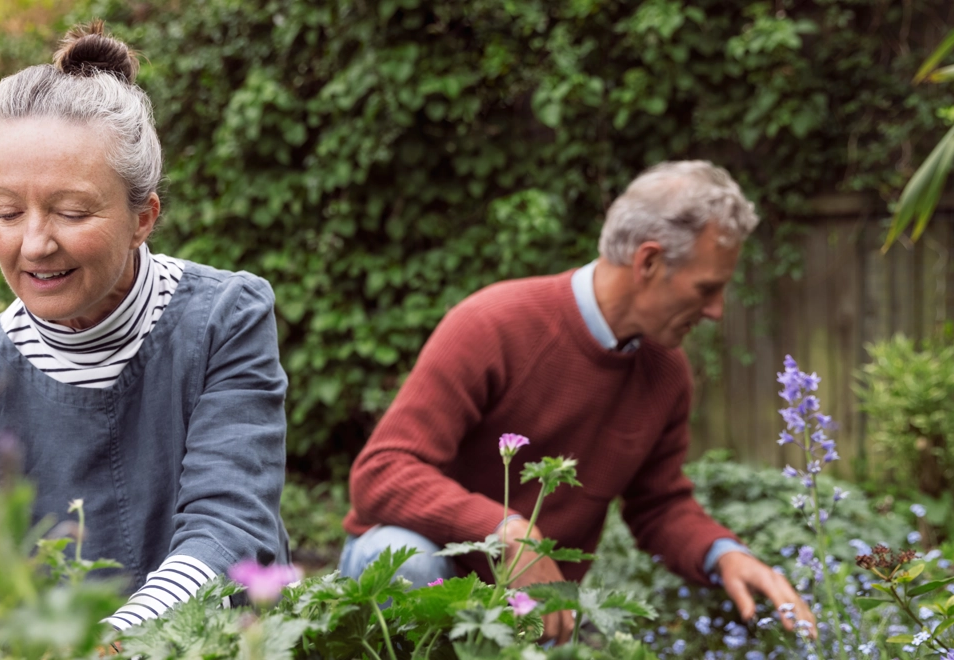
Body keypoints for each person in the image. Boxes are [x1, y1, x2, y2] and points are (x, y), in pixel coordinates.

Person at [0, 22, 289, 659]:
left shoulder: (223, 321)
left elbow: (229, 528)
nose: (34, 244)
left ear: (143, 217)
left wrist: (110, 642)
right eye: (7, 211)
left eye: (70, 212)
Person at [340, 161, 816, 643]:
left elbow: (658, 504)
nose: (716, 311)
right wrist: (507, 532)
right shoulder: (492, 324)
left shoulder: (664, 372)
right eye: (706, 288)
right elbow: (383, 470)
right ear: (648, 262)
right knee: (406, 561)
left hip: (527, 617)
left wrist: (723, 555)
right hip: (421, 578)